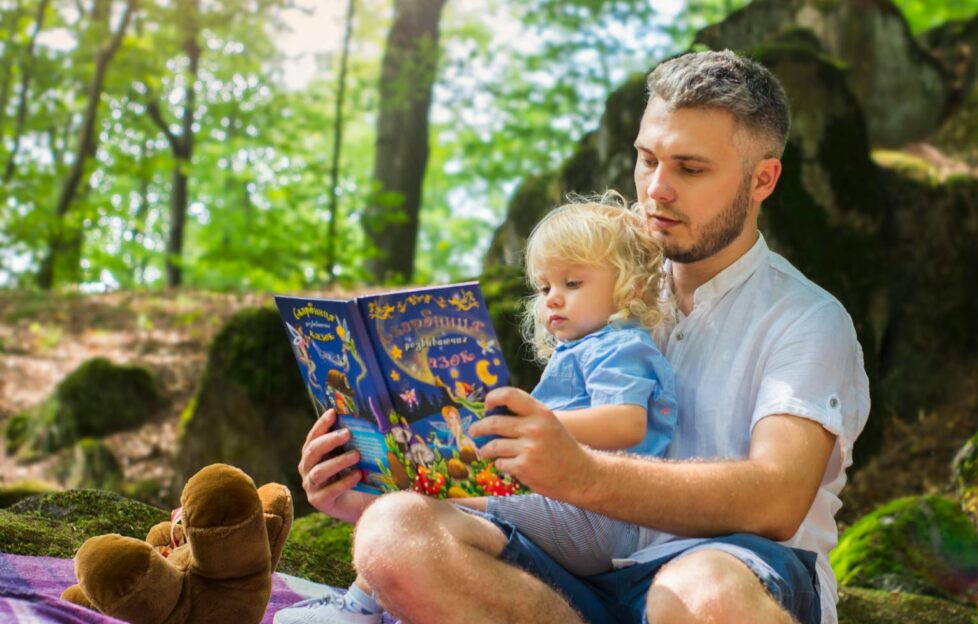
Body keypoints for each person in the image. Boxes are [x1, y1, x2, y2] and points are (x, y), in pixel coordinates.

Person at [297, 50, 869, 624]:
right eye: (647, 160)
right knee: (392, 530)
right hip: (574, 577)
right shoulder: (601, 291)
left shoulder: (807, 319)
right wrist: (365, 488)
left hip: (731, 572)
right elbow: (527, 492)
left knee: (701, 589)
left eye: (690, 169)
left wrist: (582, 472)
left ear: (762, 179)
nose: (657, 189)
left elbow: (777, 499)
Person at [276, 198, 679, 623]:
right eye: (545, 289)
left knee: (442, 498)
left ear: (630, 287)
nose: (553, 300)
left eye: (573, 283)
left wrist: (531, 425)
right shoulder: (584, 350)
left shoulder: (621, 346)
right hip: (568, 511)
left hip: (593, 518)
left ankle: (356, 610)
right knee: (431, 499)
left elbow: (627, 422)